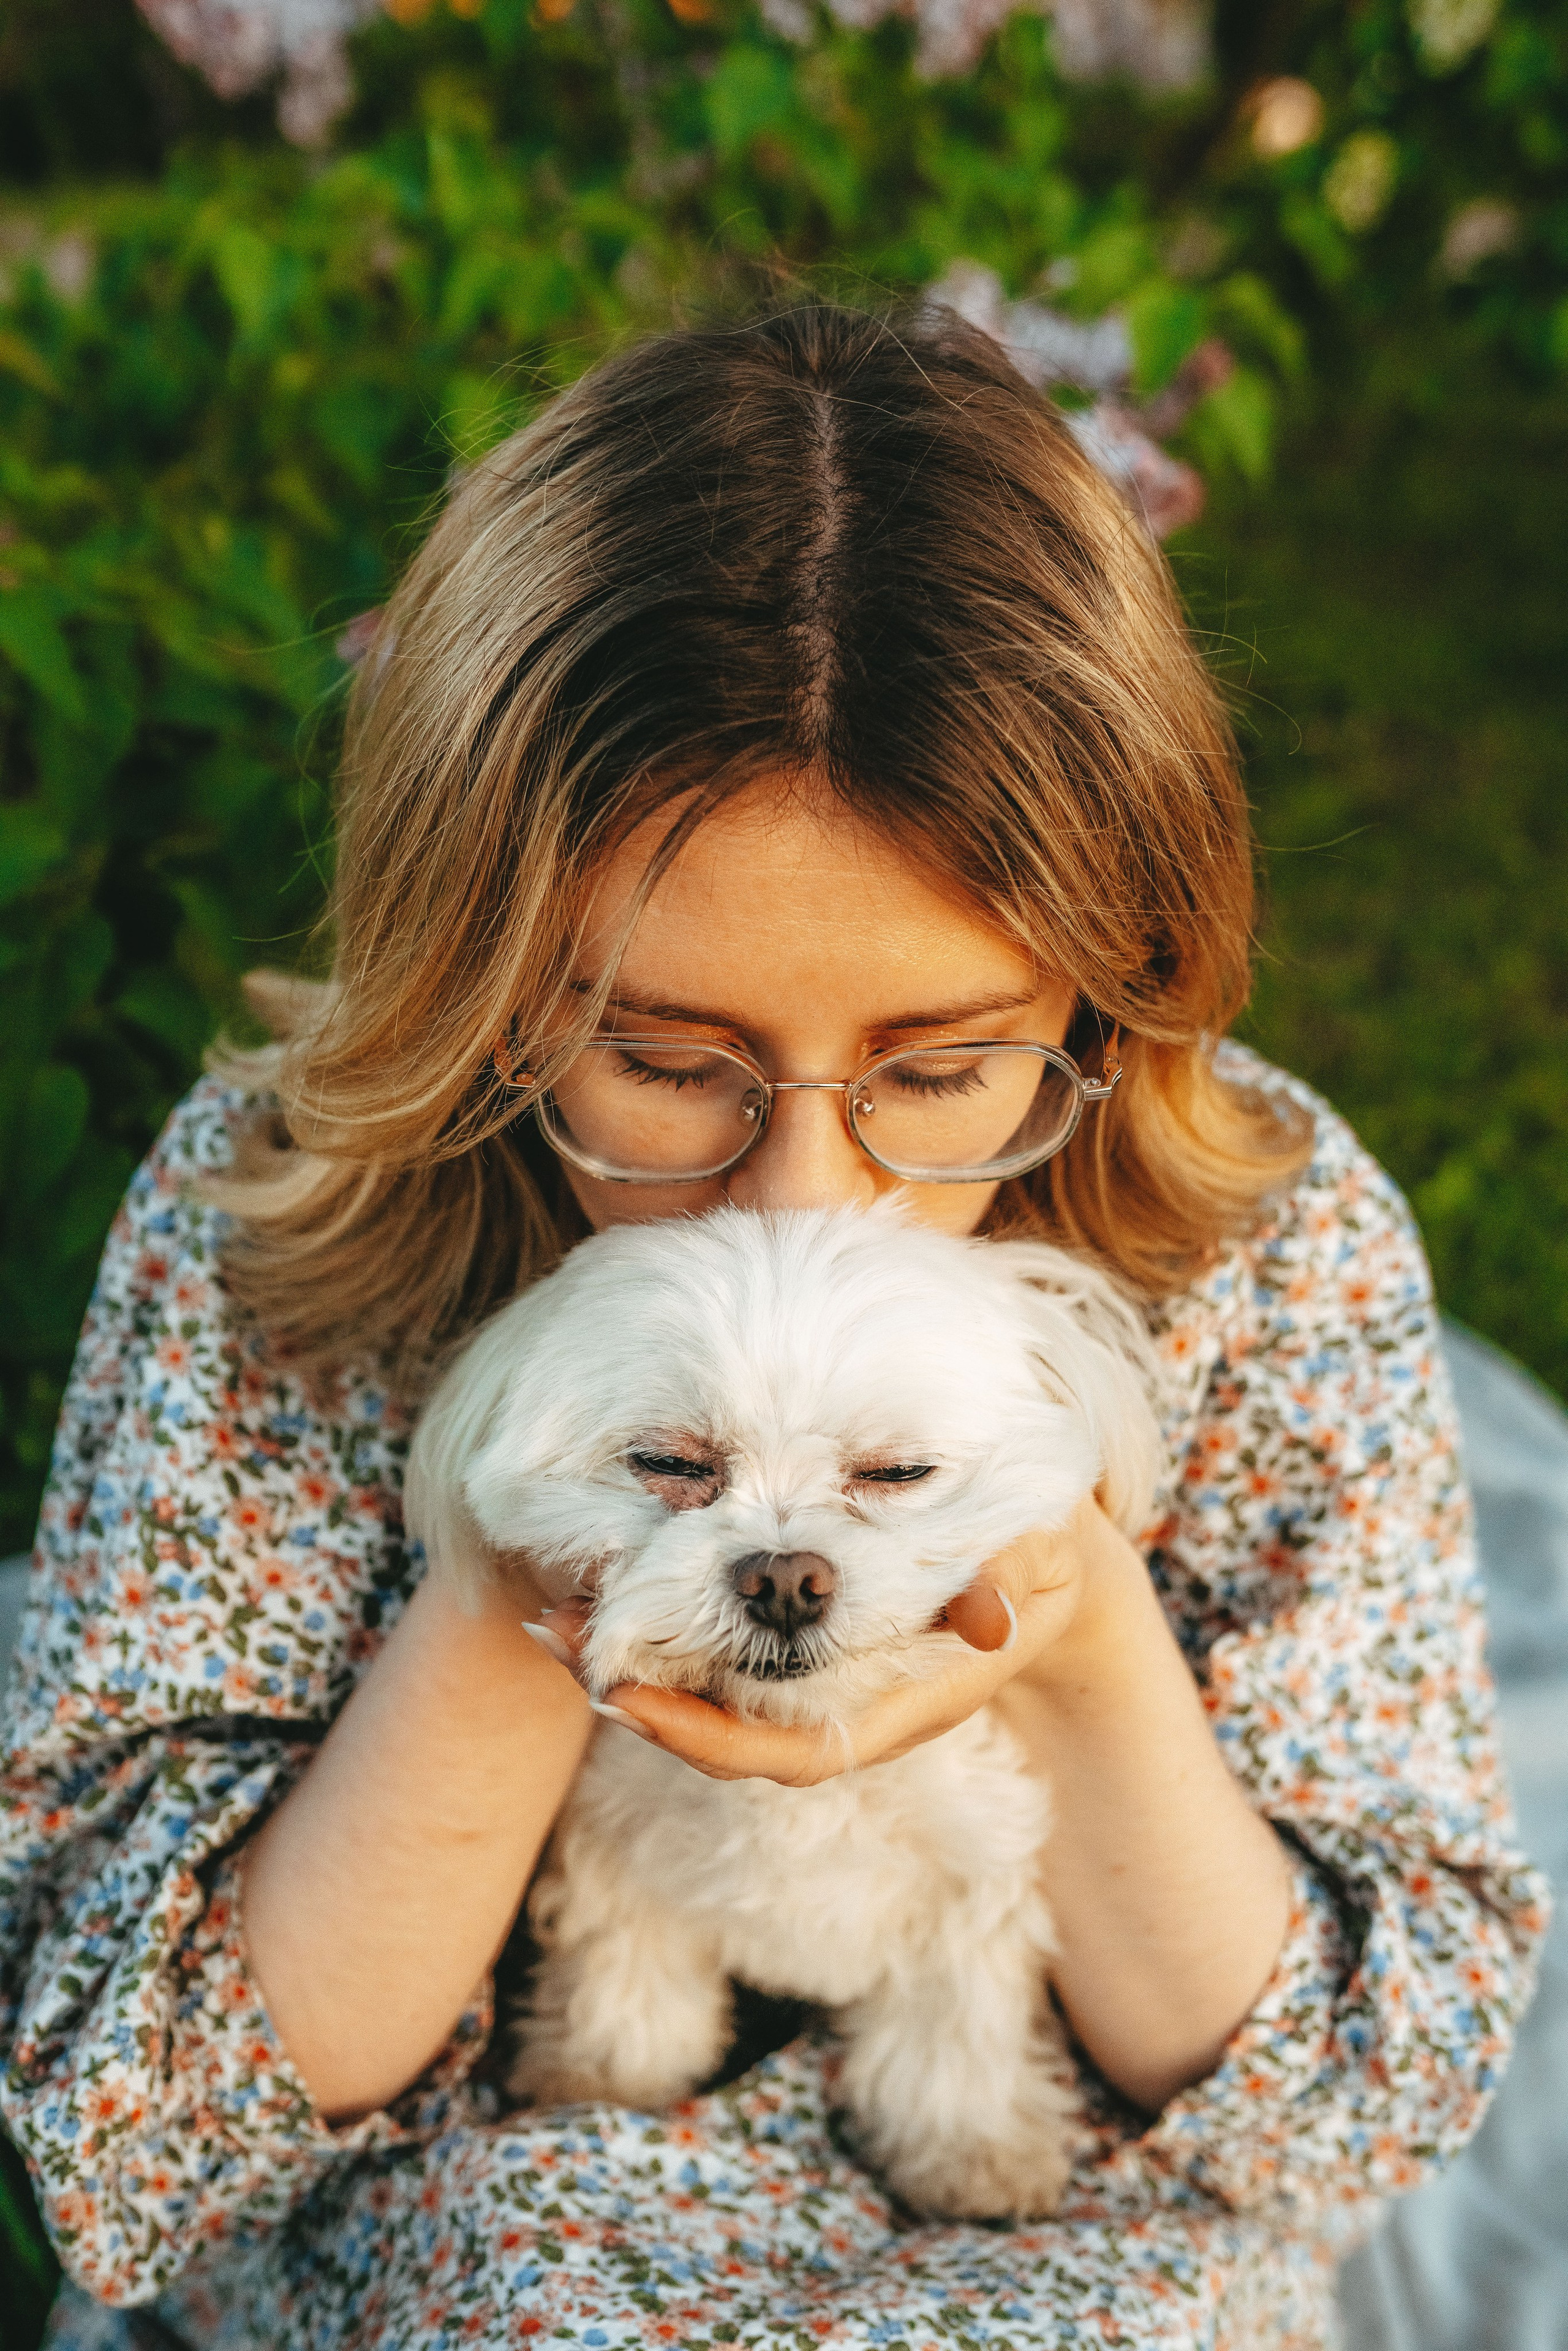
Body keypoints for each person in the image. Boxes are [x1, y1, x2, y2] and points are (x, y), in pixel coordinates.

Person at [0, 304, 1547, 2351]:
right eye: (662, 1058)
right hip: (460, 2212)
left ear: (1102, 999)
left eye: (941, 1069)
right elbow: (139, 2143)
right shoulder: (271, 1222)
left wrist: (1078, 1642)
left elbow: (1341, 2119)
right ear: (485, 982)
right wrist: (522, 1588)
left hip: (1071, 2213)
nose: (806, 1195)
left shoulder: (1267, 1230)